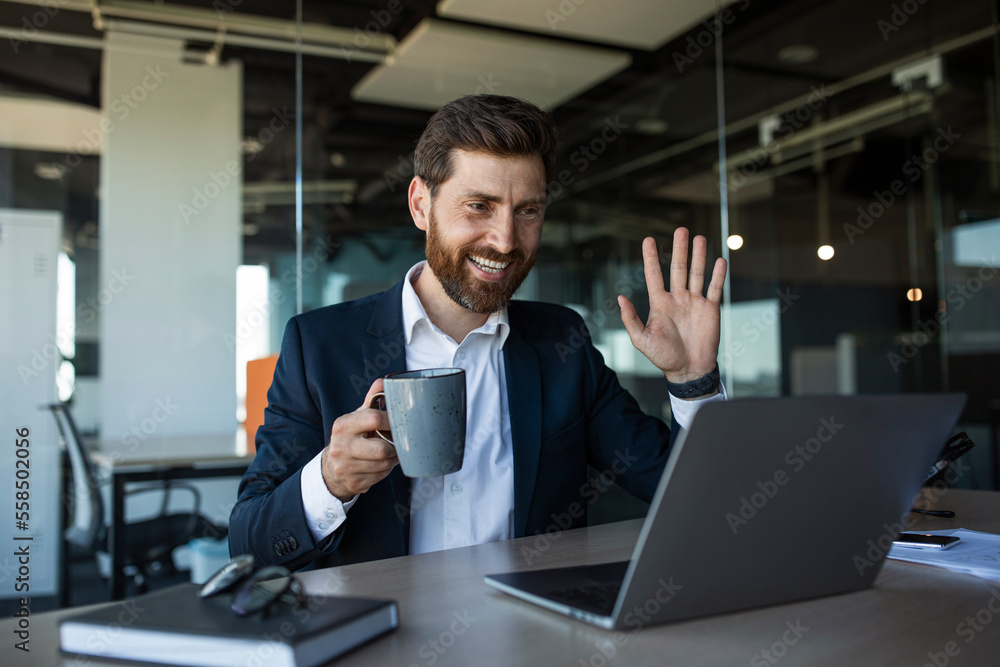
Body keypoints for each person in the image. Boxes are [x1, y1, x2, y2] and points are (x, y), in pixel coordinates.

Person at [229, 95, 728, 570]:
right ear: (421, 205)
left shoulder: (562, 345)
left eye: (527, 210)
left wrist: (692, 379)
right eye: (479, 206)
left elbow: (694, 496)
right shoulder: (319, 346)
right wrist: (329, 481)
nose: (505, 239)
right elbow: (250, 543)